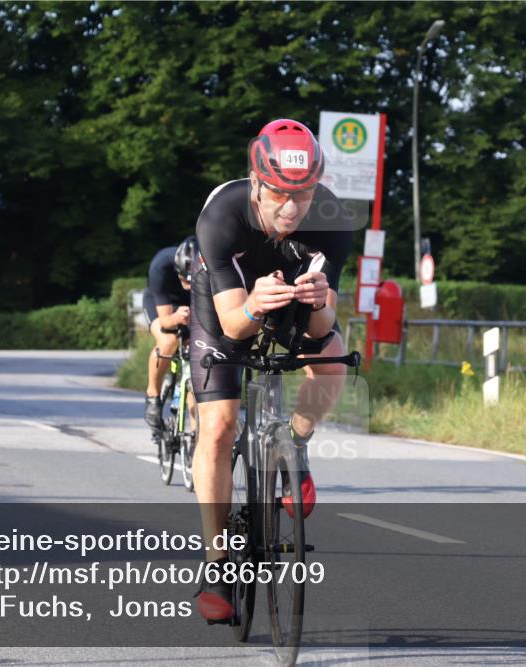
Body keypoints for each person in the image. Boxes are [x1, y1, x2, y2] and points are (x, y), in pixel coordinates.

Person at [189, 119, 352, 621]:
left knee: (332, 365)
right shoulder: (222, 215)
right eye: (279, 193)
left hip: (294, 294)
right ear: (257, 182)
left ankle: (295, 449)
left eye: (302, 194)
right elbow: (234, 326)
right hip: (229, 303)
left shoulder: (331, 216)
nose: (291, 208)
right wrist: (257, 306)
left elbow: (324, 324)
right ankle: (217, 562)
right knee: (216, 428)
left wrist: (319, 300)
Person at [143, 237, 198, 430]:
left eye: (193, 281)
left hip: (192, 306)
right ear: (178, 271)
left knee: (197, 351)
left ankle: (196, 433)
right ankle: (152, 395)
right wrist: (176, 318)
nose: (188, 285)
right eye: (184, 279)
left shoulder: (211, 265)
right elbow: (166, 321)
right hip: (162, 304)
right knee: (168, 340)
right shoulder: (161, 265)